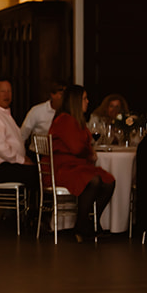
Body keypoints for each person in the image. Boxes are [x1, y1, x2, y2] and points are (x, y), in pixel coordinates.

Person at [47, 84, 116, 242]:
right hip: (63, 169)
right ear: (76, 102)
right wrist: (89, 152)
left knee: (108, 181)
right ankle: (82, 224)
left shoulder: (77, 121)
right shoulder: (64, 120)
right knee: (93, 180)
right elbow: (77, 147)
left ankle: (91, 221)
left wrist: (89, 151)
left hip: (77, 166)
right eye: (84, 98)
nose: (88, 101)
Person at [0, 78, 39, 190]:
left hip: (7, 164)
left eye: (9, 91)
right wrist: (21, 160)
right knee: (36, 174)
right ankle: (33, 207)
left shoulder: (3, 113)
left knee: (40, 168)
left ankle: (30, 206)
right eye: (2, 91)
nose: (7, 95)